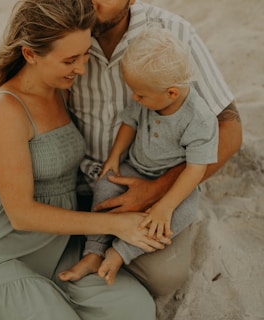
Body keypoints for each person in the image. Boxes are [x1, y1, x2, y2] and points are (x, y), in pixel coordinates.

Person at [0, 0, 242, 297]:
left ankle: (63, 274)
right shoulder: (64, 28)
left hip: (135, 181)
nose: (91, 3)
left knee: (163, 277)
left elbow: (229, 128)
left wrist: (158, 189)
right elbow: (9, 106)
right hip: (62, 171)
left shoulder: (172, 34)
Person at [0, 1, 158, 319]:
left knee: (134, 308)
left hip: (57, 248)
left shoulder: (63, 87)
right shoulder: (7, 108)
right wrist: (117, 224)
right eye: (70, 59)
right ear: (30, 54)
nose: (82, 68)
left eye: (85, 54)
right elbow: (22, 215)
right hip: (2, 252)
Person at [59, 27, 219, 285]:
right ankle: (94, 250)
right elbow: (129, 123)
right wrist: (113, 158)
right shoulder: (147, 95)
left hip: (175, 184)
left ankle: (120, 252)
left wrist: (164, 206)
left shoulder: (199, 119)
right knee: (105, 186)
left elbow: (195, 170)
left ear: (171, 93)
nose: (134, 98)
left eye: (140, 95)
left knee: (182, 214)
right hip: (135, 167)